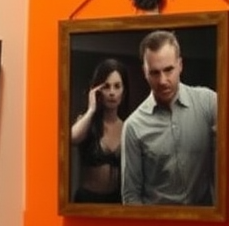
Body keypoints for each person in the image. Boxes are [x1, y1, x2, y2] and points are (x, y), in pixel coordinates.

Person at [121, 29, 217, 206]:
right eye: (155, 73)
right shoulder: (134, 126)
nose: (163, 80)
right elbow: (131, 196)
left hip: (207, 224)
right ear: (145, 72)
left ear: (180, 65)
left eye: (168, 70)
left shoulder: (209, 103)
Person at [70, 58, 130, 203]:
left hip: (116, 201)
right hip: (88, 200)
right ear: (97, 90)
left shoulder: (128, 126)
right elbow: (73, 138)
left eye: (117, 86)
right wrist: (91, 110)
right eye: (106, 86)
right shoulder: (87, 122)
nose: (112, 92)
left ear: (124, 91)